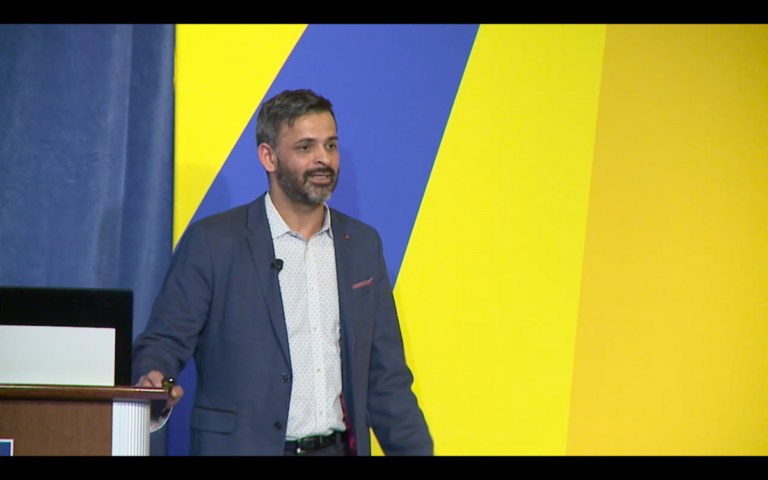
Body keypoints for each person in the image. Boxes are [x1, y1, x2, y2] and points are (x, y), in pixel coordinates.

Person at [132, 89, 433, 456]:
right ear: (268, 157)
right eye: (306, 147)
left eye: (331, 145)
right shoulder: (212, 242)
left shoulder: (362, 245)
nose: (324, 159)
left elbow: (386, 378)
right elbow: (163, 341)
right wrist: (153, 381)